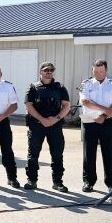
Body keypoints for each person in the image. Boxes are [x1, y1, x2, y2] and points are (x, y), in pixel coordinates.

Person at [24, 61, 71, 192]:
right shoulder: (33, 87)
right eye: (45, 70)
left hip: (55, 126)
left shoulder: (60, 87)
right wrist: (42, 119)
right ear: (40, 72)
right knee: (33, 154)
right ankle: (32, 180)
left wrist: (55, 119)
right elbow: (28, 105)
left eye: (51, 70)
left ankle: (58, 182)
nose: (48, 72)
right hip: (37, 125)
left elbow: (66, 105)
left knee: (57, 155)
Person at [80, 59, 112, 193]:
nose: (98, 74)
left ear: (106, 71)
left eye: (101, 71)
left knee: (109, 153)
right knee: (89, 154)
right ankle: (88, 182)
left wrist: (104, 116)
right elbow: (85, 101)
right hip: (89, 122)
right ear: (92, 70)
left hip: (107, 123)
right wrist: (105, 109)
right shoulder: (86, 84)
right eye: (96, 71)